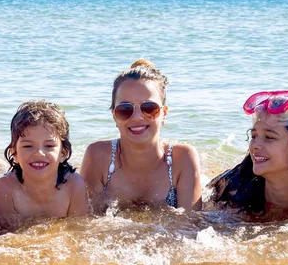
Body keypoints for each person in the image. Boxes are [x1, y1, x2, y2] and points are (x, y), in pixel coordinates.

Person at [81, 59, 202, 213]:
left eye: (149, 108)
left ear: (164, 113)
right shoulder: (98, 156)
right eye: (125, 109)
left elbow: (191, 225)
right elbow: (84, 221)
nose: (137, 117)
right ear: (114, 116)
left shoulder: (183, 159)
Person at [0, 101, 89, 232]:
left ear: (63, 153)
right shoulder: (5, 188)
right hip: (13, 175)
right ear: (14, 153)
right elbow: (4, 234)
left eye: (49, 146)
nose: (39, 153)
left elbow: (79, 231)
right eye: (28, 146)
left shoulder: (74, 185)